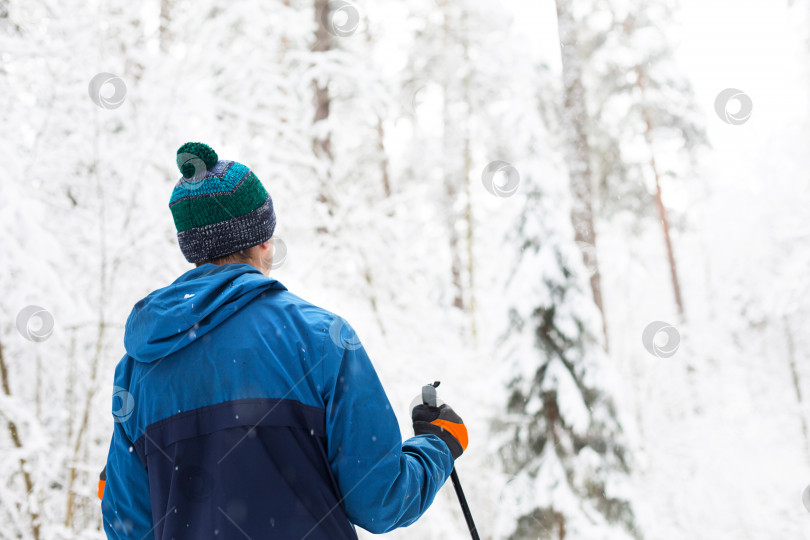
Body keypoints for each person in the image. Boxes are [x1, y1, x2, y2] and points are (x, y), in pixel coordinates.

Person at [99, 142, 468, 539]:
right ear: (262, 240)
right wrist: (438, 444)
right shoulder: (323, 339)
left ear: (192, 251)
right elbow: (380, 501)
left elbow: (128, 527)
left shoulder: (139, 367)